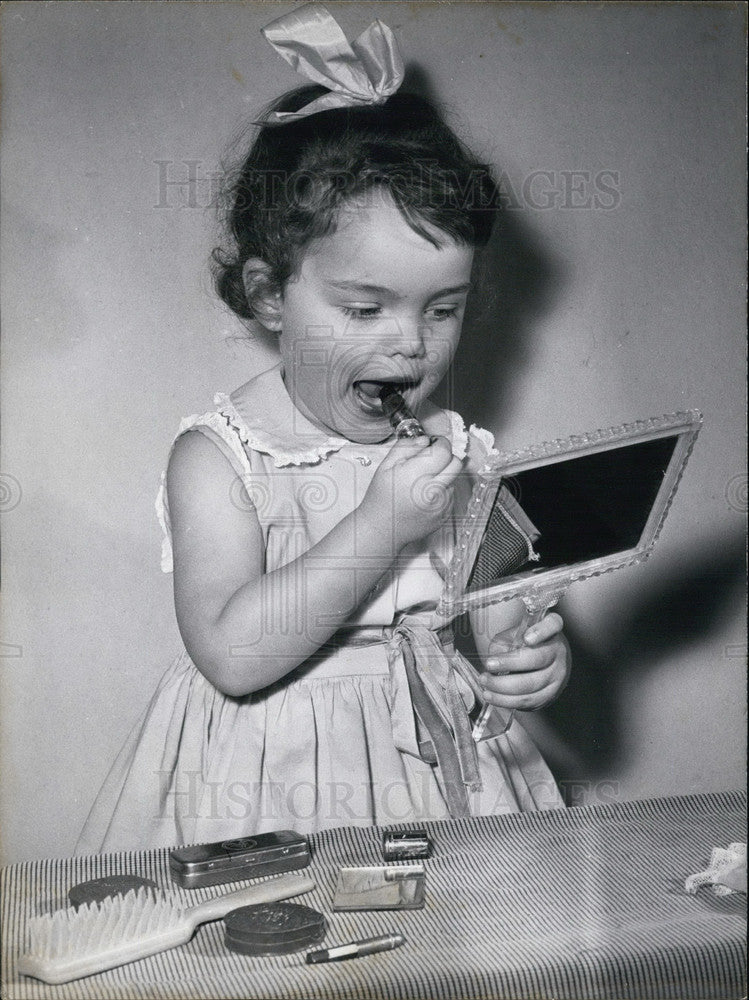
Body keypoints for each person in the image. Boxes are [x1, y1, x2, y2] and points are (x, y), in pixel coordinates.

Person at [76, 4, 570, 853]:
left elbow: (487, 612)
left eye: (442, 309)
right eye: (363, 307)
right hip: (267, 784)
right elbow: (232, 654)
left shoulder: (452, 452)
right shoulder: (220, 457)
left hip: (440, 766)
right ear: (270, 296)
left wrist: (522, 654)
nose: (410, 344)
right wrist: (379, 524)